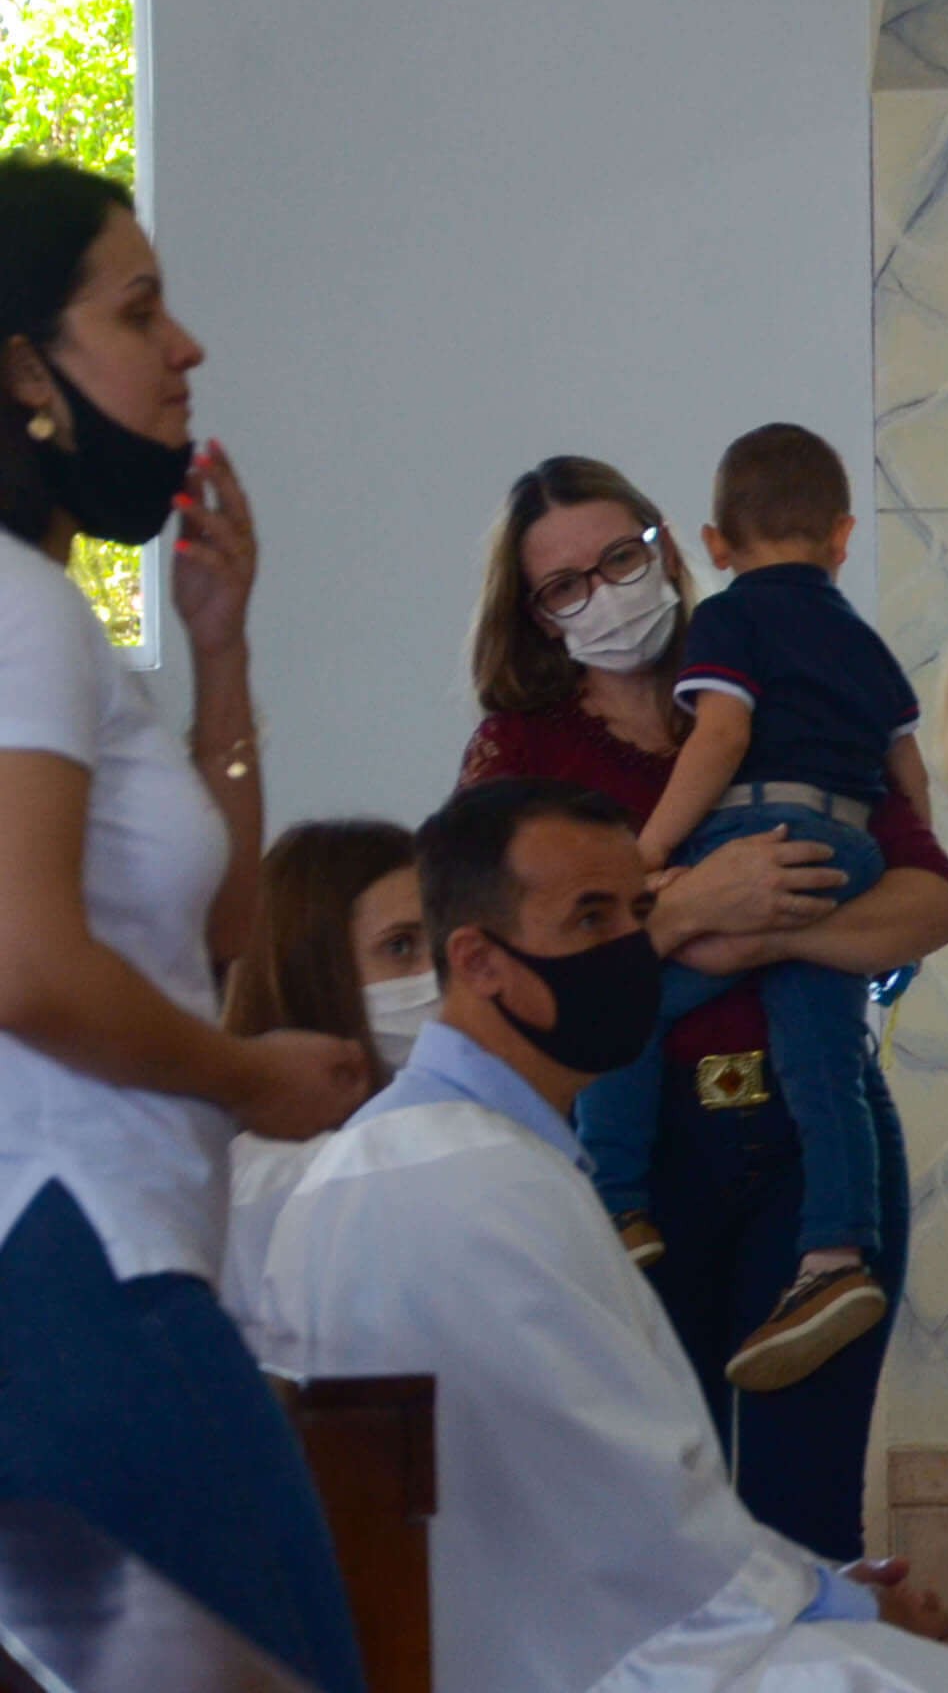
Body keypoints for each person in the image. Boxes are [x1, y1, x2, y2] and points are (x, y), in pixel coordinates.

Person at [255, 780, 948, 1693]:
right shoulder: (484, 1181)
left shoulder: (402, 1149)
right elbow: (642, 1530)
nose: (630, 949)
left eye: (636, 910)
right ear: (480, 959)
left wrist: (819, 1588)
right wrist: (850, 1603)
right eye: (588, 918)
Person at [0, 154, 371, 1693]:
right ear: (24, 370)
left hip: (97, 1250)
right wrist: (254, 1082)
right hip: (80, 1249)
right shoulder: (15, 608)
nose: (188, 348)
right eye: (140, 310)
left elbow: (216, 919)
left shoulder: (54, 616)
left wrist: (222, 655)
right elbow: (28, 967)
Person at [458, 452, 948, 1559]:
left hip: (811, 1139)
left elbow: (931, 904)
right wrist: (686, 909)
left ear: (672, 548)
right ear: (537, 616)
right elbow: (512, 973)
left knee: (807, 1526)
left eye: (620, 558)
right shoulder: (525, 753)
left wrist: (772, 925)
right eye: (564, 585)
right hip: (634, 1161)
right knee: (658, 1529)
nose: (603, 591)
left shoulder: (778, 670)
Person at [579, 422, 926, 1392]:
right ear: (843, 536)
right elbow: (912, 780)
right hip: (848, 844)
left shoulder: (727, 621)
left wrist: (651, 853)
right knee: (825, 1061)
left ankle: (614, 1200)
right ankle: (833, 1261)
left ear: (716, 544)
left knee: (633, 1008)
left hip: (752, 834)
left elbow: (722, 737)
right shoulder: (866, 642)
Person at [218, 816, 431, 1315]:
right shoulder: (269, 1178)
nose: (436, 973)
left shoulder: (446, 1135)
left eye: (442, 941)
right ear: (310, 971)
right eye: (400, 947)